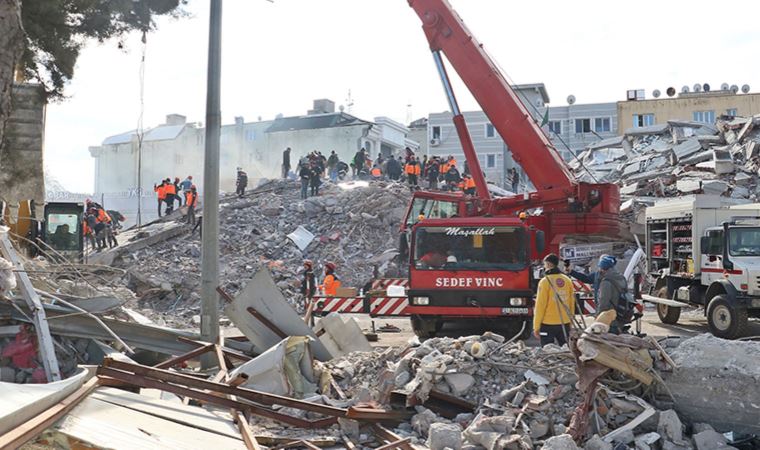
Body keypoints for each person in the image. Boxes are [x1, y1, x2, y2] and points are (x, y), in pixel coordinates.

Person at [533, 253, 576, 347]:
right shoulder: (567, 280)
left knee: (548, 352)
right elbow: (571, 303)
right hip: (564, 323)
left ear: (548, 264)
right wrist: (570, 321)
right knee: (566, 350)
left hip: (547, 324)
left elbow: (540, 306)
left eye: (544, 264)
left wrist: (536, 326)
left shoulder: (545, 282)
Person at [596, 254, 629, 334]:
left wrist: (598, 318)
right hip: (621, 315)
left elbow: (604, 302)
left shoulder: (606, 282)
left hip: (610, 320)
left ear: (604, 268)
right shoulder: (621, 277)